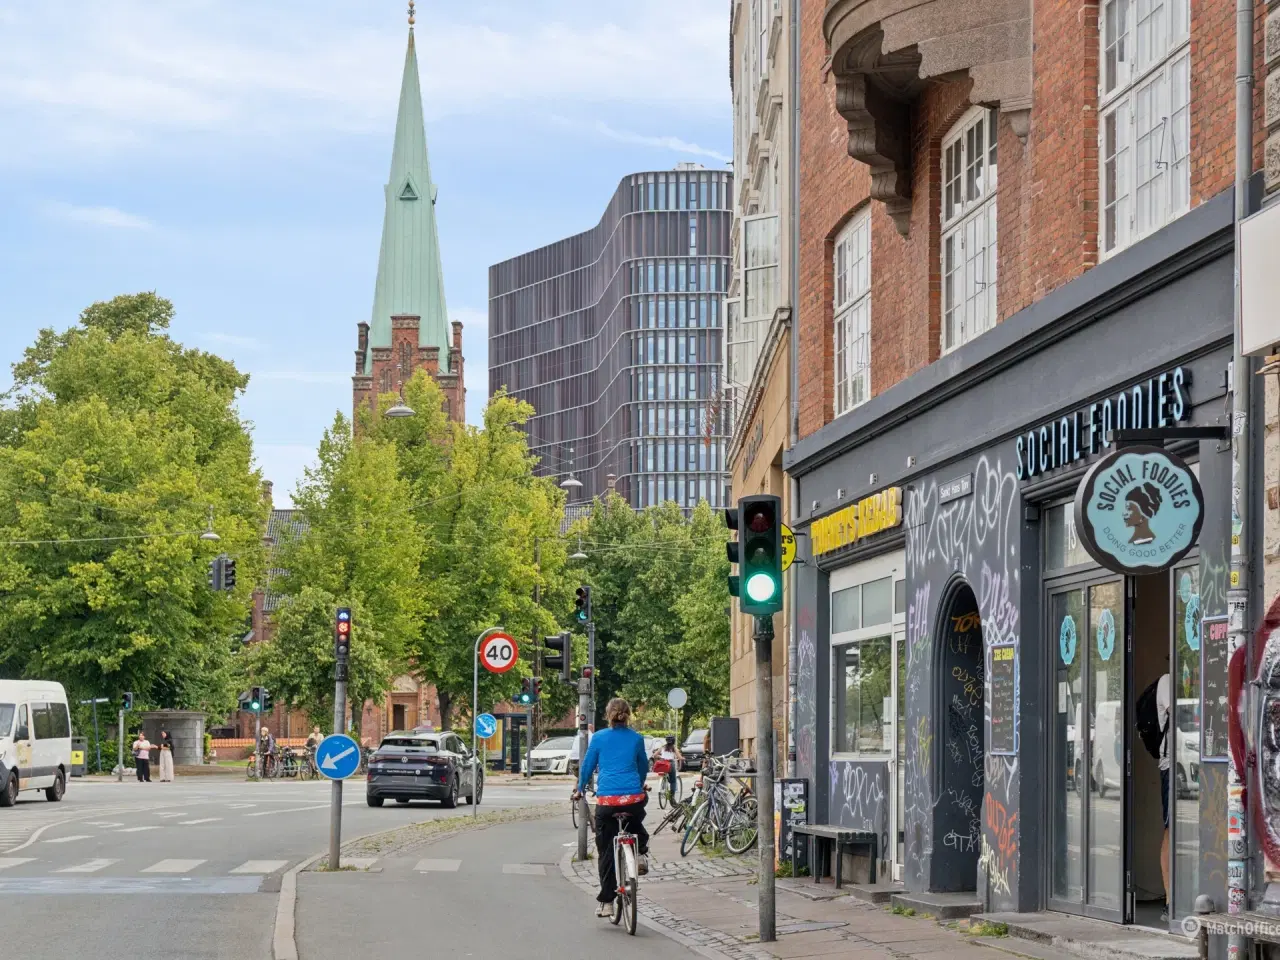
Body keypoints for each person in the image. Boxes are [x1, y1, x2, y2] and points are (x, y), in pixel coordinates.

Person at [572, 698, 650, 917]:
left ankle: (607, 902)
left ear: (608, 715)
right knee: (636, 817)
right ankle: (640, 852)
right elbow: (643, 766)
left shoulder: (599, 737)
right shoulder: (636, 738)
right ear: (628, 715)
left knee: (606, 849)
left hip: (607, 801)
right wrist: (639, 783)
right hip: (632, 798)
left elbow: (587, 766)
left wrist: (580, 788)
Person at [1157, 671, 1172, 919]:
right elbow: (1181, 714)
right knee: (1171, 831)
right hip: (1171, 765)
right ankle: (1170, 899)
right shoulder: (1167, 681)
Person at [651, 735, 682, 800]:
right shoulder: (674, 748)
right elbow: (679, 757)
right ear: (673, 741)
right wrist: (682, 759)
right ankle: (672, 797)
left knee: (664, 773)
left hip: (662, 764)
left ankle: (663, 785)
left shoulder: (662, 747)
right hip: (670, 764)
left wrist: (660, 757)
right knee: (673, 781)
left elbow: (654, 755)